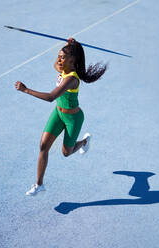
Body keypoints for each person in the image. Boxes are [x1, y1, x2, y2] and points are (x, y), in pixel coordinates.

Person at [15, 38, 107, 196]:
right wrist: (68, 45)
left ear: (72, 61)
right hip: (58, 113)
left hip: (73, 119)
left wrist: (26, 90)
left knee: (66, 153)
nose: (58, 60)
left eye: (62, 57)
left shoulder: (71, 79)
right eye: (58, 56)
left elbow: (51, 97)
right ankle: (39, 184)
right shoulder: (62, 68)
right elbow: (59, 62)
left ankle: (84, 141)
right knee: (43, 146)